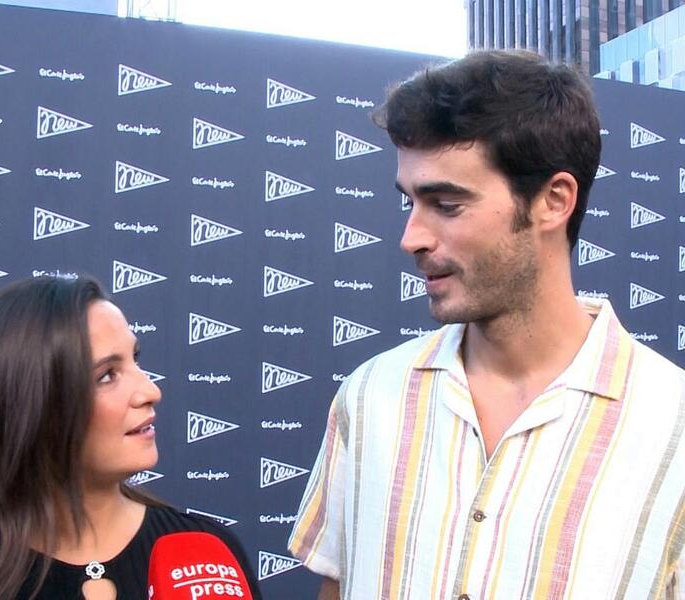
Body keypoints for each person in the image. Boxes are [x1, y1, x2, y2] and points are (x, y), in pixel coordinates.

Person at [289, 50, 685, 599]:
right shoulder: (370, 396)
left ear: (553, 201)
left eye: (447, 205)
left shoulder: (672, 427)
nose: (411, 238)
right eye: (410, 202)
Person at [0, 276, 261, 600]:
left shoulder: (209, 562)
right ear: (33, 408)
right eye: (107, 375)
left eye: (135, 360)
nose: (151, 391)